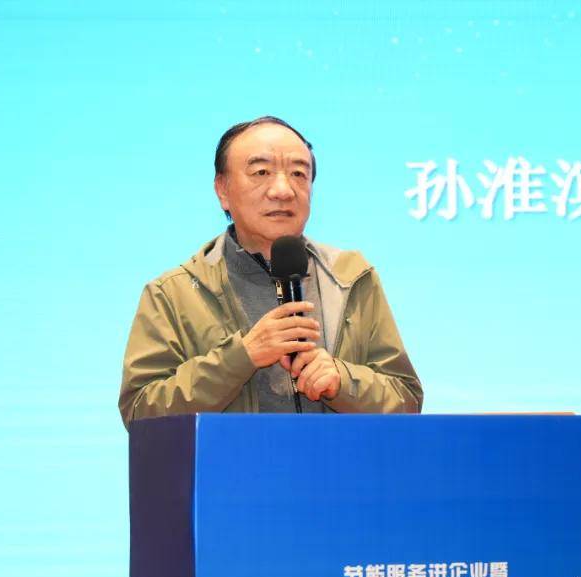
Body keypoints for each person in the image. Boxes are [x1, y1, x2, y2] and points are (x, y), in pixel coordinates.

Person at [118, 116, 422, 428]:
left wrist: (343, 382)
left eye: (299, 174)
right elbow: (141, 413)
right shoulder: (173, 293)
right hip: (231, 462)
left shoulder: (351, 278)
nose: (283, 190)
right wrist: (241, 356)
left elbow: (406, 401)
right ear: (222, 190)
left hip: (338, 461)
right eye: (261, 172)